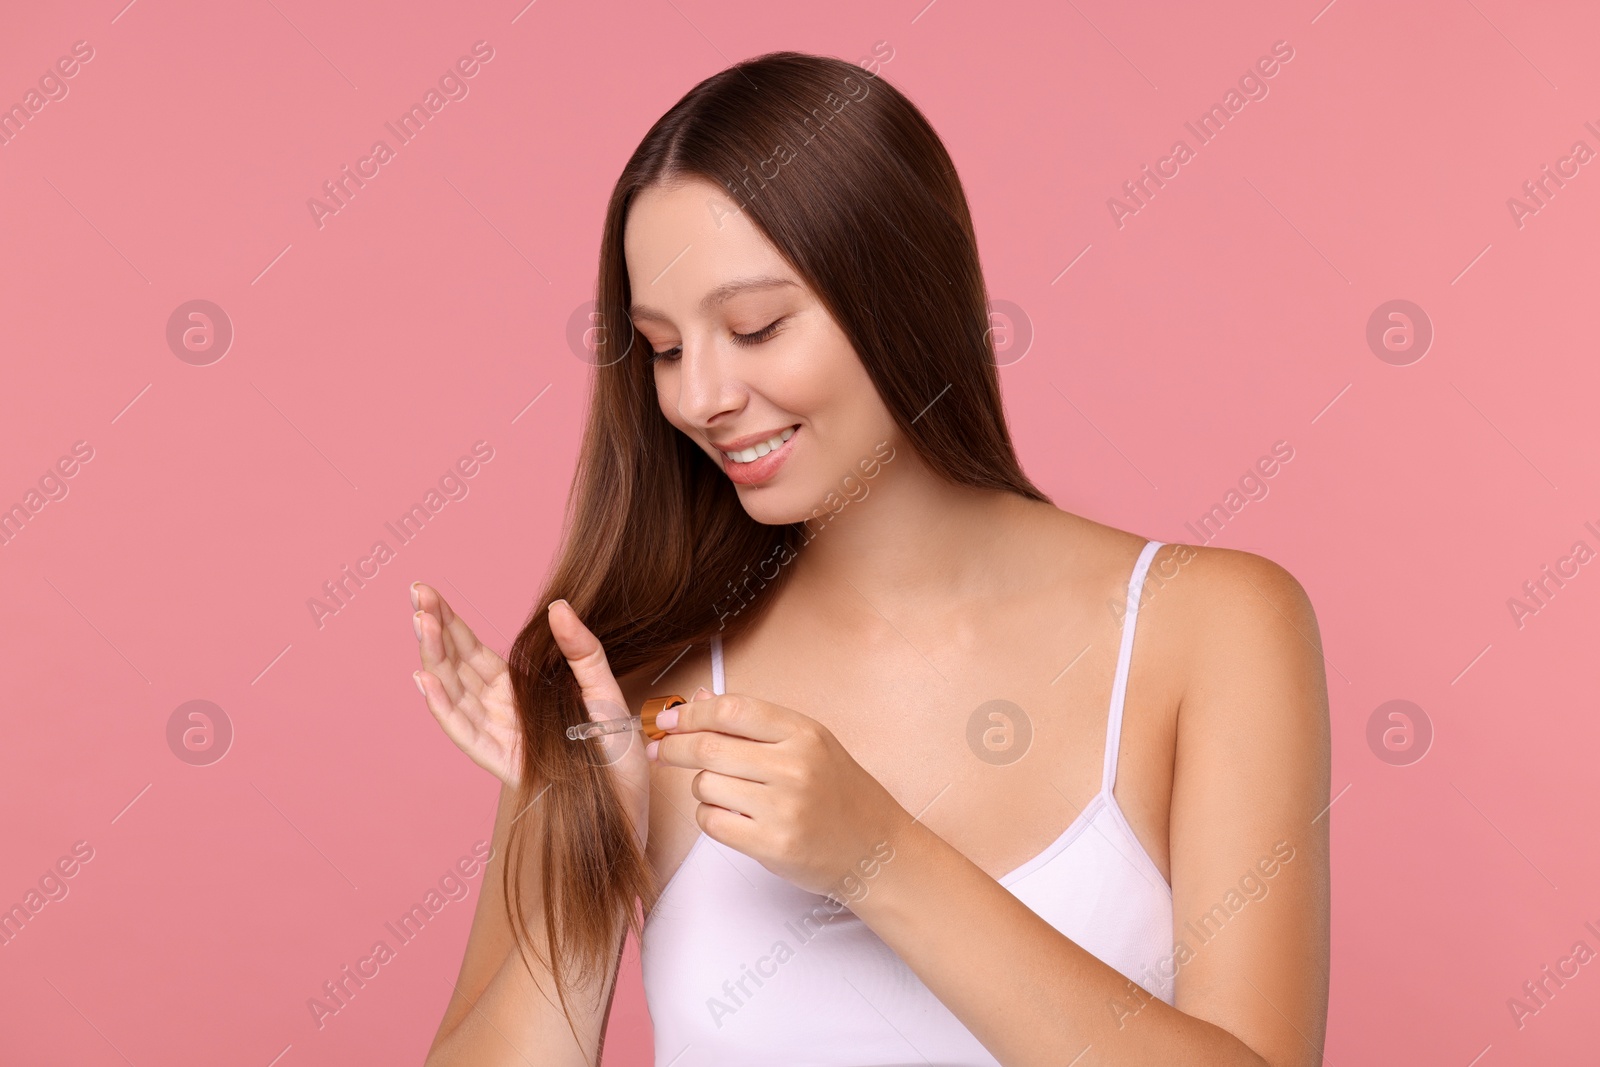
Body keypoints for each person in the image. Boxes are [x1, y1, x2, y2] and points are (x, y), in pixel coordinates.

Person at [412, 50, 1330, 1067]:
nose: (699, 395)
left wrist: (880, 857)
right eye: (665, 348)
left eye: (753, 327)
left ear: (901, 292)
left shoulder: (1207, 626)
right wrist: (588, 844)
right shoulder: (621, 675)